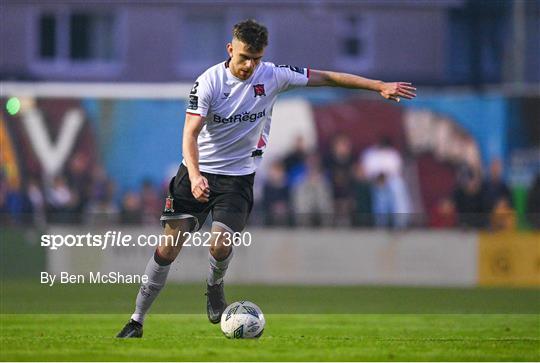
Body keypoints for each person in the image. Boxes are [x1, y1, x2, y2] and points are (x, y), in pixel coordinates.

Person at [116, 19, 416, 338]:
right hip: (197, 172)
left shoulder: (272, 75)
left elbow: (327, 77)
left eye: (256, 58)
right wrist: (194, 175)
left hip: (237, 179)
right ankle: (136, 320)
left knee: (219, 245)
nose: (250, 65)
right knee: (168, 249)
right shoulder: (208, 83)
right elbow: (189, 135)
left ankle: (214, 288)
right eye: (244, 56)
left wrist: (378, 85)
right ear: (230, 49)